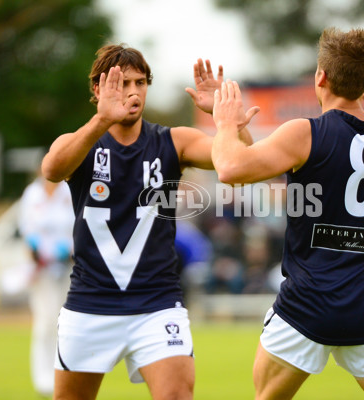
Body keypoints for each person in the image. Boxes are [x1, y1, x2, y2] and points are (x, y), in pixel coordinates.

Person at [211, 27, 364, 400]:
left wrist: (226, 124)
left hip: (306, 308)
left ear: (321, 77)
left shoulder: (305, 133)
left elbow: (230, 169)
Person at [41, 44, 253, 400]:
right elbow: (52, 169)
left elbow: (241, 160)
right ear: (98, 90)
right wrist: (102, 120)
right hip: (90, 304)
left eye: (140, 82)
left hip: (157, 305)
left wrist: (227, 121)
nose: (132, 91)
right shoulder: (80, 144)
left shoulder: (172, 141)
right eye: (121, 83)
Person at [18, 175, 74, 397]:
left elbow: (79, 223)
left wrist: (67, 249)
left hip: (69, 265)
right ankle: (44, 379)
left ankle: (66, 373)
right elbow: (26, 227)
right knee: (45, 322)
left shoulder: (69, 191)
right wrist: (35, 250)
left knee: (66, 323)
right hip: (40, 268)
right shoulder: (32, 193)